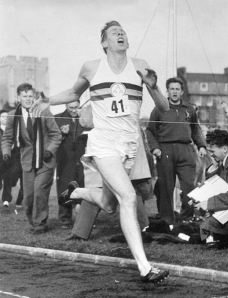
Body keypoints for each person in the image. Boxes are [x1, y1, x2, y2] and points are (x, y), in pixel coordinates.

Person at [31, 21, 170, 283]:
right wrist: (47, 100)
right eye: (114, 33)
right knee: (128, 197)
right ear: (104, 42)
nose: (120, 34)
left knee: (109, 204)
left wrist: (153, 86)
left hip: (129, 143)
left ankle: (76, 192)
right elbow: (73, 92)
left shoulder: (139, 65)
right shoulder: (93, 67)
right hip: (104, 142)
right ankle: (145, 267)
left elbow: (163, 108)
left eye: (123, 32)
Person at [146, 77, 207, 225]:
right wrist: (155, 148)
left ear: (182, 91)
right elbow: (149, 131)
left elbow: (196, 129)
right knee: (166, 187)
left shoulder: (190, 109)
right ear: (167, 91)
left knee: (190, 186)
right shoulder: (159, 109)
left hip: (186, 149)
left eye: (177, 89)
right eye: (171, 89)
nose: (174, 92)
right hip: (165, 150)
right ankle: (167, 221)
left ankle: (186, 218)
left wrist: (202, 145)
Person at [2, 83, 61, 233]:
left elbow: (56, 134)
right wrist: (6, 152)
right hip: (27, 161)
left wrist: (50, 149)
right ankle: (34, 222)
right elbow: (7, 137)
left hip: (45, 161)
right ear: (18, 97)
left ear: (34, 97)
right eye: (24, 96)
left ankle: (41, 223)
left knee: (39, 189)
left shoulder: (44, 111)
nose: (28, 99)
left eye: (30, 96)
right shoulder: (12, 115)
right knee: (28, 196)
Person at [54, 100, 91, 229]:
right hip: (65, 160)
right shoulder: (57, 119)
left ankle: (84, 220)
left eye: (76, 107)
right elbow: (52, 139)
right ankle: (65, 220)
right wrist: (62, 134)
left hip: (82, 160)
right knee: (64, 188)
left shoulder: (85, 119)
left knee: (83, 187)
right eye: (71, 107)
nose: (74, 110)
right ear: (65, 105)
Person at [0, 109, 12, 207]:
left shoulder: (11, 129)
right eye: (3, 116)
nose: (5, 118)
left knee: (8, 179)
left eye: (7, 116)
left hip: (9, 159)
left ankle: (6, 199)